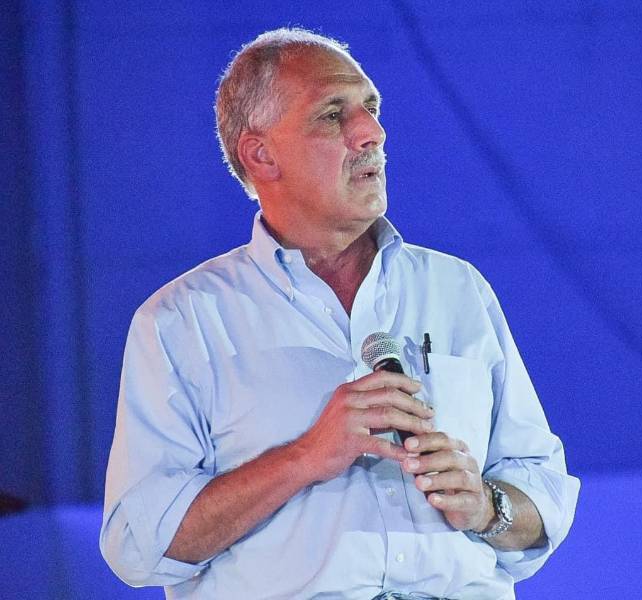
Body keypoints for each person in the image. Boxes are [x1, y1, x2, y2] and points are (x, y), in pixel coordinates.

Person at [100, 28, 579, 600]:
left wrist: (486, 506)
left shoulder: (457, 289)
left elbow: (543, 494)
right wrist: (304, 457)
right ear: (261, 154)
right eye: (333, 115)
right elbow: (140, 546)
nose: (372, 132)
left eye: (371, 108)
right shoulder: (183, 321)